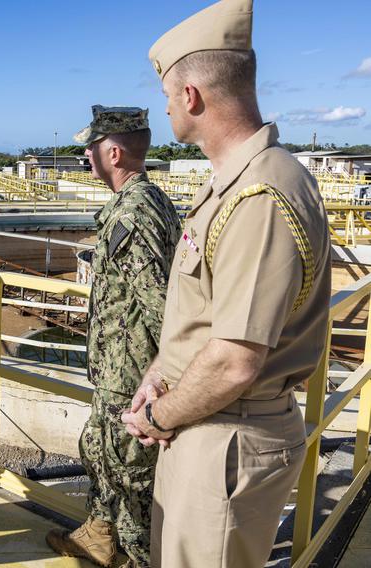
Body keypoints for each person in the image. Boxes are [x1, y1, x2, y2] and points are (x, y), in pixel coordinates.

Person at [121, 1, 331, 566]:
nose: (166, 108)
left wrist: (156, 417)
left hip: (226, 438)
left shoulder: (259, 195)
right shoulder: (236, 183)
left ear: (190, 95)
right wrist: (157, 378)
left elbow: (235, 358)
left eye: (167, 96)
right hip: (206, 425)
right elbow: (206, 315)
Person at [46, 106, 181, 568]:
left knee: (132, 477)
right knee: (100, 450)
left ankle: (141, 557)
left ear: (115, 152)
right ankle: (98, 535)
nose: (86, 155)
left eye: (92, 147)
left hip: (132, 372)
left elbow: (160, 301)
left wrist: (162, 377)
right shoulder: (151, 200)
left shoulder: (134, 212)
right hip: (120, 367)